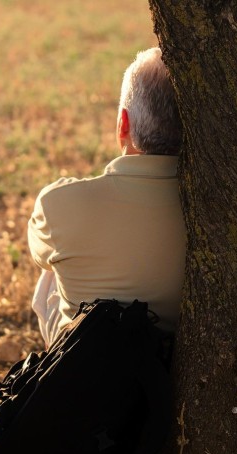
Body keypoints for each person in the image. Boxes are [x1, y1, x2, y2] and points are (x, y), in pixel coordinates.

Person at [28, 47, 185, 348]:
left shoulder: (58, 204)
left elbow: (38, 254)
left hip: (86, 369)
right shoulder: (217, 210)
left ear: (123, 123)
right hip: (169, 369)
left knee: (53, 267)